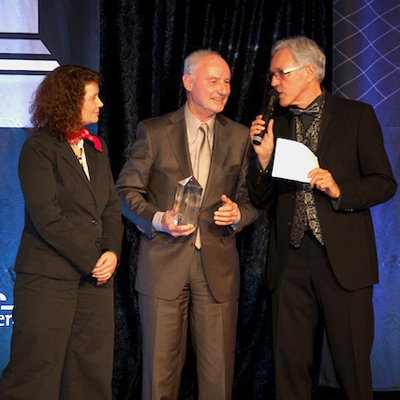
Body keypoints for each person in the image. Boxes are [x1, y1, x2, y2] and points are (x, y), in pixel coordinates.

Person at [247, 36, 397, 400]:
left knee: (352, 368)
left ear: (308, 72)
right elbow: (261, 199)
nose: (273, 82)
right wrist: (263, 161)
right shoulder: (276, 124)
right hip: (290, 261)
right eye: (272, 75)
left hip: (343, 261)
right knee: (289, 368)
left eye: (280, 73)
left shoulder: (356, 115)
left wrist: (339, 189)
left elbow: (384, 184)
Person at [116, 49, 258, 400]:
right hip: (163, 265)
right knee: (159, 376)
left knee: (217, 378)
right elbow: (126, 192)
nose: (223, 89)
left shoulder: (239, 136)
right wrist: (158, 219)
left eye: (227, 82)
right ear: (188, 82)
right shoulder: (154, 131)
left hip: (218, 270)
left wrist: (238, 215)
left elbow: (252, 200)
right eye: (214, 81)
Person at [0, 65, 123, 400]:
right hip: (48, 280)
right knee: (34, 374)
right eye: (94, 97)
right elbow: (48, 217)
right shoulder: (38, 149)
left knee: (90, 375)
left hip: (95, 284)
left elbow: (111, 208)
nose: (101, 104)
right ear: (70, 101)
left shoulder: (96, 148)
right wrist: (92, 259)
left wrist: (111, 252)